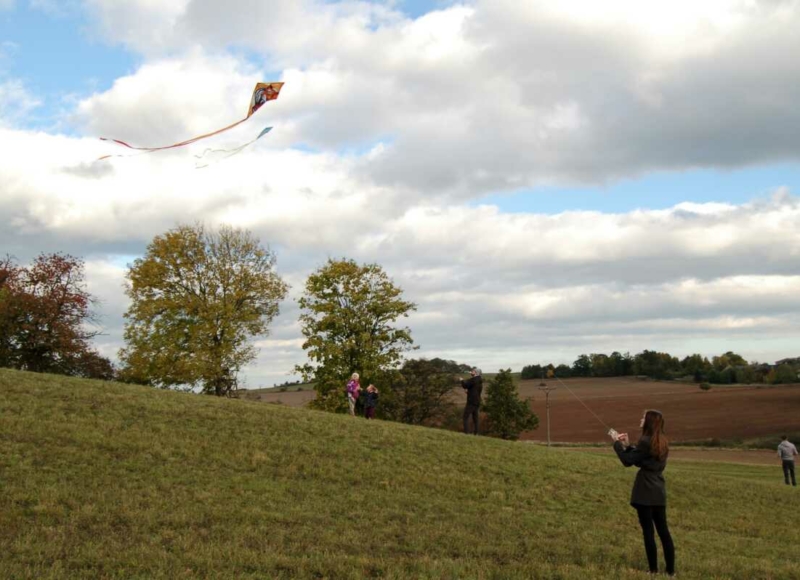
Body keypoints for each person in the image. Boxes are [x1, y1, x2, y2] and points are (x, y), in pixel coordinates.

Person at [611, 410, 675, 577]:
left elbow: (628, 461)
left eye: (643, 417)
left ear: (649, 422)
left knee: (648, 532)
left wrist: (617, 444)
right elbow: (642, 457)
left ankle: (653, 570)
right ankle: (670, 571)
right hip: (659, 490)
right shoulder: (662, 442)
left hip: (645, 490)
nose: (641, 419)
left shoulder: (646, 441)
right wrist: (629, 445)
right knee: (664, 531)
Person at [460, 368, 483, 435]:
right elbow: (475, 391)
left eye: (472, 371)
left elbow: (465, 386)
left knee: (465, 417)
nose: (471, 372)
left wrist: (462, 380)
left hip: (471, 401)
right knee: (475, 418)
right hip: (477, 401)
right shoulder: (480, 381)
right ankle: (476, 433)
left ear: (476, 373)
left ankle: (466, 432)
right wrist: (468, 392)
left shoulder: (473, 380)